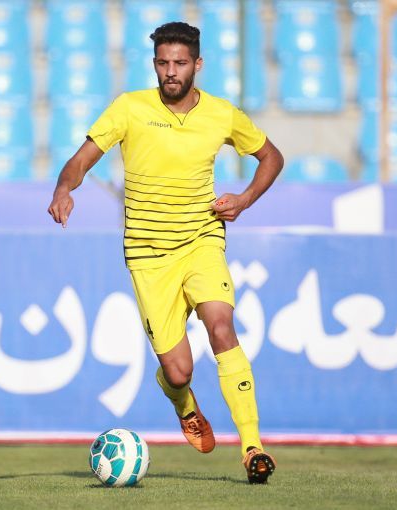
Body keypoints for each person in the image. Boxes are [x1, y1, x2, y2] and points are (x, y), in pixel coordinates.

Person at [48, 21, 284, 484]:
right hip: (148, 256)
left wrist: (244, 199)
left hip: (201, 241)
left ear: (197, 64)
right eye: (163, 63)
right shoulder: (130, 108)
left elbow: (271, 157)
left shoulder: (221, 114)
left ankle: (253, 448)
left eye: (180, 63)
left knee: (222, 327)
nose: (171, 72)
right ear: (154, 64)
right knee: (178, 372)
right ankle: (183, 403)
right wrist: (63, 188)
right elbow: (81, 160)